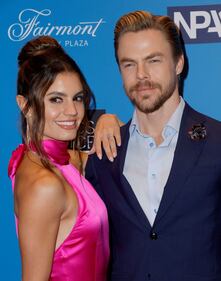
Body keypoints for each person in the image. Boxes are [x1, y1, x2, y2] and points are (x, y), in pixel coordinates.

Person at [85, 10, 221, 281]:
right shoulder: (103, 155)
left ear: (179, 62)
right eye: (129, 64)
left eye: (153, 60)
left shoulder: (217, 142)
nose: (141, 75)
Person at [8, 35, 111, 281]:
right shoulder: (45, 185)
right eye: (56, 99)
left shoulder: (57, 161)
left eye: (77, 98)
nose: (72, 111)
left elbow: (92, 157)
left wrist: (109, 120)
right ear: (26, 106)